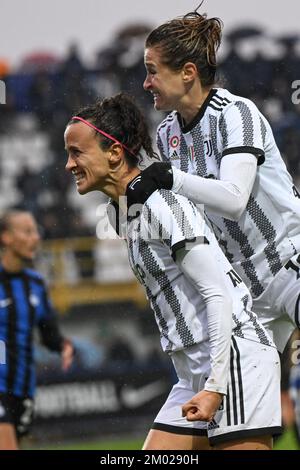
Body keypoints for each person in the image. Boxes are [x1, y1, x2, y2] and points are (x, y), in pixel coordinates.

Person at [64, 92, 281, 450]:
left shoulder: (162, 203)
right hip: (193, 372)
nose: (69, 165)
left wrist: (215, 385)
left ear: (115, 153)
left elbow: (218, 293)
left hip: (234, 363)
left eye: (77, 152)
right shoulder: (122, 213)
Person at [141, 9, 300, 353]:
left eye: (152, 72)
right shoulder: (166, 133)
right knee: (236, 400)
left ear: (187, 73)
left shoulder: (236, 113)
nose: (146, 83)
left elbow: (233, 200)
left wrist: (169, 178)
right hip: (247, 291)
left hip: (289, 262)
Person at [0, 210, 74, 450]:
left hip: (22, 388)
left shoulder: (36, 284)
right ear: (6, 238)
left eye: (36, 232)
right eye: (27, 231)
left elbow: (48, 333)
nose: (35, 238)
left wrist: (63, 345)